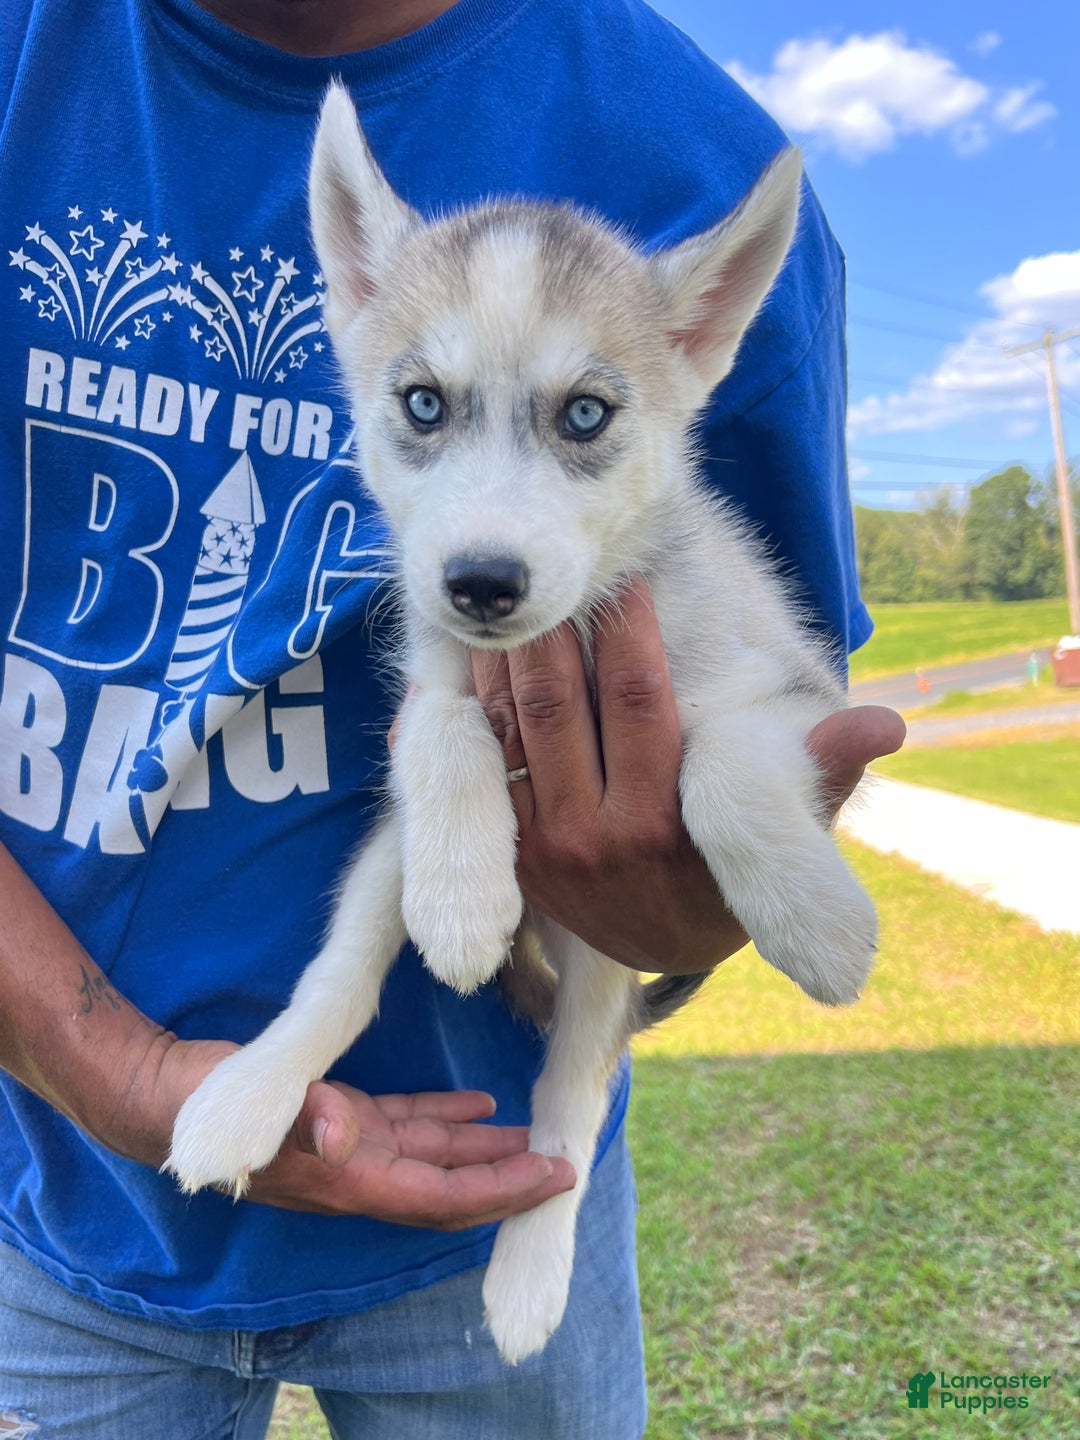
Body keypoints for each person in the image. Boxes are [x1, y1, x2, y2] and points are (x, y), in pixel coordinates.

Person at [0, 0, 903, 1435]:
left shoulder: (701, 162)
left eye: (580, 419)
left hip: (497, 1189)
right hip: (59, 1193)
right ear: (350, 287)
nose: (491, 521)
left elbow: (767, 706)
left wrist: (695, 915)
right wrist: (116, 1070)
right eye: (424, 407)